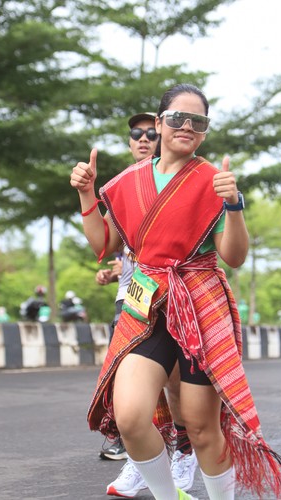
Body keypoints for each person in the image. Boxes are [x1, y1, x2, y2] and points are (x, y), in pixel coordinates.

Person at [71, 84, 281, 500]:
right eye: (177, 118)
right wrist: (86, 193)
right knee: (130, 417)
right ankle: (169, 496)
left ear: (205, 131)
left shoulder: (214, 181)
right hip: (146, 304)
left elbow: (234, 256)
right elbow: (104, 244)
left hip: (199, 304)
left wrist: (234, 205)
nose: (187, 126)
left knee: (201, 426)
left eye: (198, 121)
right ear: (159, 124)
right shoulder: (127, 182)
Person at [95, 112, 198, 497]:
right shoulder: (122, 186)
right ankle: (142, 456)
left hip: (172, 295)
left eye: (149, 134)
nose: (142, 139)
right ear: (128, 142)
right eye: (135, 134)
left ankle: (184, 448)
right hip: (132, 298)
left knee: (172, 381)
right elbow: (107, 243)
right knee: (132, 382)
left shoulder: (179, 180)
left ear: (161, 138)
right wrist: (114, 272)